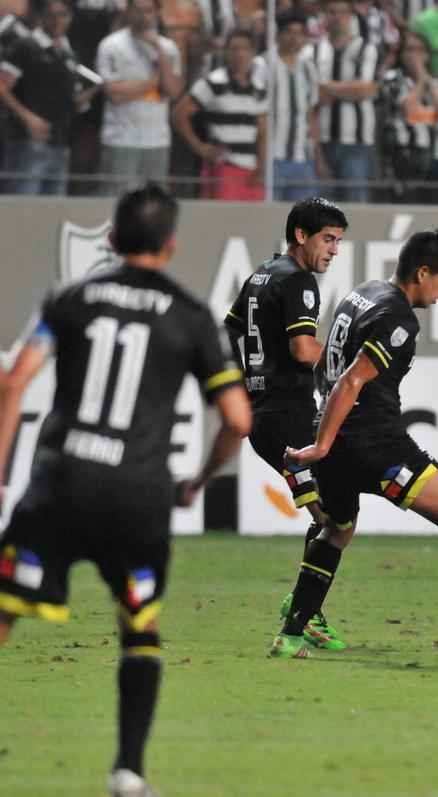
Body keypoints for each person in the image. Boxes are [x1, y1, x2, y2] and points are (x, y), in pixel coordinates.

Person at [0, 183, 251, 797]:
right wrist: (197, 480)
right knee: (140, 626)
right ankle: (128, 774)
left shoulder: (69, 297)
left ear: (110, 240)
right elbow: (239, 419)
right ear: (171, 245)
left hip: (59, 487)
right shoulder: (192, 315)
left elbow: (15, 382)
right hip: (137, 500)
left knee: (2, 610)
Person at [274, 230, 438, 659]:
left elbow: (328, 366)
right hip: (376, 445)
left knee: (335, 531)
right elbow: (351, 381)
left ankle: (290, 635)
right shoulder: (399, 319)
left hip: (335, 443)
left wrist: (322, 437)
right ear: (421, 272)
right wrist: (322, 445)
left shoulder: (361, 294)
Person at [223, 196, 348, 652]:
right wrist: (349, 363)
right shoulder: (299, 281)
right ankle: (305, 613)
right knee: (336, 521)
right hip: (290, 413)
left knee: (329, 515)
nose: (334, 250)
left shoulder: (261, 274)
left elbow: (230, 328)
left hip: (262, 415)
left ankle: (304, 607)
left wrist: (238, 382)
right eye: (328, 239)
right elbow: (302, 350)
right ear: (301, 235)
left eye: (338, 241)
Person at [0, 0, 98, 196]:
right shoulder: (25, 46)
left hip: (61, 145)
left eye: (63, 15)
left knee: (52, 213)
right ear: (41, 17)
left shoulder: (69, 54)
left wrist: (97, 90)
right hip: (27, 144)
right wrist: (28, 118)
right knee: (24, 211)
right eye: (51, 15)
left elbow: (72, 100)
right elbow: (2, 86)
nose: (56, 21)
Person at [95, 0, 184, 194]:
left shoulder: (168, 48)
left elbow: (172, 91)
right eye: (138, 11)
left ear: (157, 13)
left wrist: (158, 50)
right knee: (116, 203)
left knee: (153, 204)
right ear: (128, 11)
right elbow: (114, 94)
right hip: (121, 139)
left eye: (148, 11)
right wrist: (152, 82)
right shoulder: (111, 45)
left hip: (157, 141)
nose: (144, 16)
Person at [172, 28, 269, 201]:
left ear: (253, 52)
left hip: (252, 171)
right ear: (226, 52)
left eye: (245, 49)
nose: (240, 54)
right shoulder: (213, 83)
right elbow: (179, 115)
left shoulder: (259, 88)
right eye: (234, 49)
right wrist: (200, 148)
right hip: (223, 168)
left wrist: (261, 167)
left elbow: (262, 132)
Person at [312, 0, 379, 204]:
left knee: (355, 208)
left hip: (356, 142)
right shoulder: (312, 51)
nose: (337, 17)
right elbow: (311, 98)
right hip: (321, 141)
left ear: (351, 16)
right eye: (332, 12)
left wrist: (323, 86)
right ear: (324, 16)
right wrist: (350, 89)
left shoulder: (366, 48)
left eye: (342, 12)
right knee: (320, 212)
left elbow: (365, 90)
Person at [379, 30, 438, 204]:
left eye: (420, 50)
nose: (415, 55)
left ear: (427, 54)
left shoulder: (435, 81)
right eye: (410, 50)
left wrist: (427, 80)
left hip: (436, 156)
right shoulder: (393, 78)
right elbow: (409, 110)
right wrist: (421, 79)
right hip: (406, 157)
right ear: (402, 54)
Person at [265, 8, 328, 202]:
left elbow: (310, 115)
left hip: (303, 158)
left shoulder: (308, 68)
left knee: (305, 221)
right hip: (272, 157)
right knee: (271, 217)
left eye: (300, 34)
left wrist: (318, 158)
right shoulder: (264, 64)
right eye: (289, 32)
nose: (295, 38)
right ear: (279, 34)